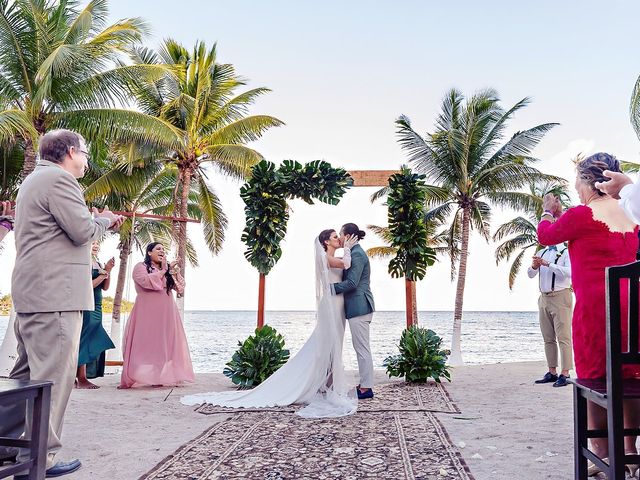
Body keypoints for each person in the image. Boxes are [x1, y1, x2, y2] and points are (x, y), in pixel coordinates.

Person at [9, 129, 123, 479]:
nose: (87, 160)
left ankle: (12, 449)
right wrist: (104, 220)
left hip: (34, 293)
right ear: (71, 151)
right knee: (52, 380)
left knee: (26, 377)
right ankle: (41, 461)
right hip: (55, 296)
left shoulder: (33, 181)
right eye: (85, 152)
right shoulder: (59, 180)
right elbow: (82, 231)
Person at [180, 231, 359, 418]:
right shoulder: (324, 257)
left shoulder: (331, 256)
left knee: (333, 345)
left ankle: (327, 384)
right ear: (326, 241)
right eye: (335, 236)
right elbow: (345, 263)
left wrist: (345, 249)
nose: (339, 238)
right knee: (326, 345)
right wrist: (347, 248)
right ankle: (320, 384)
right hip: (329, 304)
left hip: (337, 303)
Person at [537, 152, 640, 476]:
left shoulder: (582, 215)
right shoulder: (633, 214)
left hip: (598, 312)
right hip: (636, 311)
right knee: (630, 376)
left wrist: (547, 213)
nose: (577, 190)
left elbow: (546, 237)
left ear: (587, 182)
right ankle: (629, 449)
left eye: (578, 183)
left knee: (595, 377)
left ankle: (603, 450)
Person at [119, 242, 195, 389]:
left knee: (163, 342)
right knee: (143, 342)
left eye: (163, 249)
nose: (162, 251)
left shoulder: (166, 270)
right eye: (158, 249)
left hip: (166, 312)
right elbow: (146, 282)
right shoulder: (140, 267)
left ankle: (158, 377)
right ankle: (136, 375)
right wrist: (163, 270)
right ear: (149, 252)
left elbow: (180, 288)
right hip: (146, 311)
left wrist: (173, 271)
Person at [332, 223, 376, 400]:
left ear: (348, 235)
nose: (340, 239)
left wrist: (329, 288)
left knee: (362, 348)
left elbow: (352, 283)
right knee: (361, 347)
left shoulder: (357, 254)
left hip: (360, 306)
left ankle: (366, 388)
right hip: (357, 307)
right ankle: (365, 383)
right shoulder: (353, 252)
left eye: (341, 235)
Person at [527, 243, 573, 387]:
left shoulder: (566, 251)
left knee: (563, 337)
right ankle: (552, 372)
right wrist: (534, 266)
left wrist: (549, 264)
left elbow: (570, 272)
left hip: (561, 296)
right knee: (548, 337)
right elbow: (530, 274)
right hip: (544, 298)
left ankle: (565, 374)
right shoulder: (541, 252)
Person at [76, 242, 116, 389]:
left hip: (97, 305)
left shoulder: (97, 263)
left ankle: (80, 376)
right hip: (86, 304)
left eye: (98, 243)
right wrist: (103, 274)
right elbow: (87, 286)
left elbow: (105, 287)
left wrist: (108, 270)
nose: (96, 245)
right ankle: (81, 378)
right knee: (85, 338)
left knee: (93, 338)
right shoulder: (82, 261)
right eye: (92, 242)